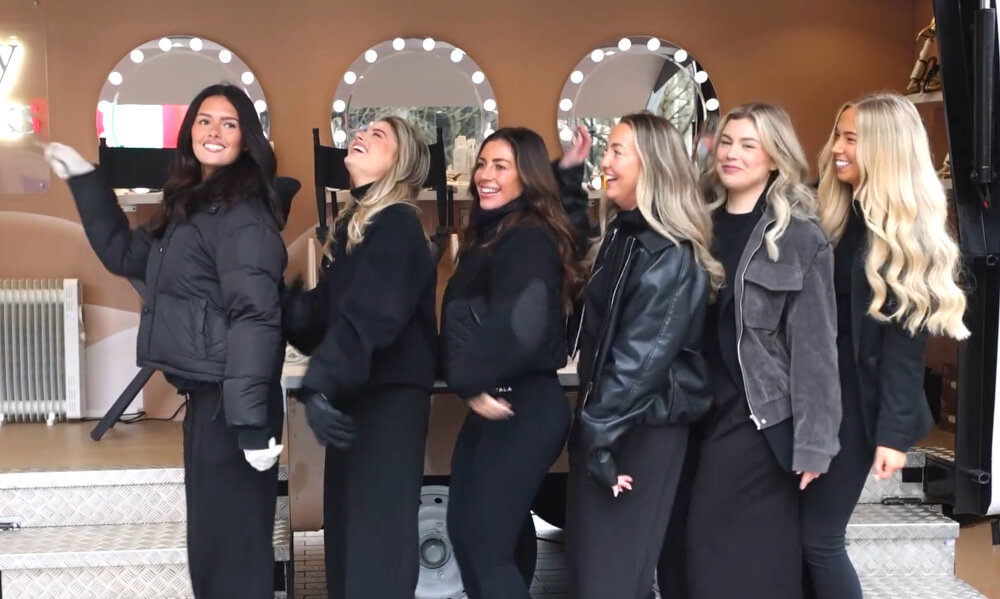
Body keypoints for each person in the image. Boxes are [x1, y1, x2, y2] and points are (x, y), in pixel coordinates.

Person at [45, 83, 287, 599]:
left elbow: (255, 315)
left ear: (246, 138)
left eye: (228, 122)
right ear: (189, 132)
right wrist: (87, 182)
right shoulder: (191, 205)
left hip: (234, 403)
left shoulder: (243, 212)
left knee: (234, 556)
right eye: (204, 120)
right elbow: (124, 256)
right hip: (208, 398)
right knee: (213, 553)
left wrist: (248, 421)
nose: (214, 131)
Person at [667, 102, 841, 599]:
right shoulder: (692, 224)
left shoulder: (800, 238)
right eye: (727, 142)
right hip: (689, 409)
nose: (732, 154)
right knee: (681, 546)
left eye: (749, 145)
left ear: (775, 158)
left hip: (754, 415)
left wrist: (814, 442)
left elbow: (814, 347)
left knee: (722, 549)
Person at [804, 91, 969, 599]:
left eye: (852, 138)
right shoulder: (830, 215)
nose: (837, 147)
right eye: (838, 134)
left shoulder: (900, 238)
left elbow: (903, 351)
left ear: (884, 149)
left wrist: (894, 438)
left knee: (819, 540)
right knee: (796, 538)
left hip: (854, 407)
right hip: (813, 400)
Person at [565, 112, 723, 599]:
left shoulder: (669, 253)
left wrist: (595, 435)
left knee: (610, 579)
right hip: (612, 423)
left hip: (641, 432)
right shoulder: (622, 236)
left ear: (652, 166)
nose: (604, 162)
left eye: (616, 152)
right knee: (598, 572)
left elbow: (640, 364)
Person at [282, 116, 438, 599]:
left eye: (379, 136)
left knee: (377, 546)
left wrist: (319, 380)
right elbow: (326, 318)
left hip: (389, 406)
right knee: (349, 538)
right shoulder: (357, 230)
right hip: (360, 400)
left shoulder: (398, 227)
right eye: (362, 129)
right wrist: (279, 296)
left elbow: (374, 315)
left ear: (401, 163)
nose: (362, 136)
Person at [439, 126, 586, 599]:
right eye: (482, 163)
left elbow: (518, 322)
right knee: (472, 535)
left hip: (522, 406)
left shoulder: (526, 238)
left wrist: (468, 376)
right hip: (498, 402)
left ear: (528, 177)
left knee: (485, 546)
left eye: (500, 166)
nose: (485, 174)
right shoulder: (496, 232)